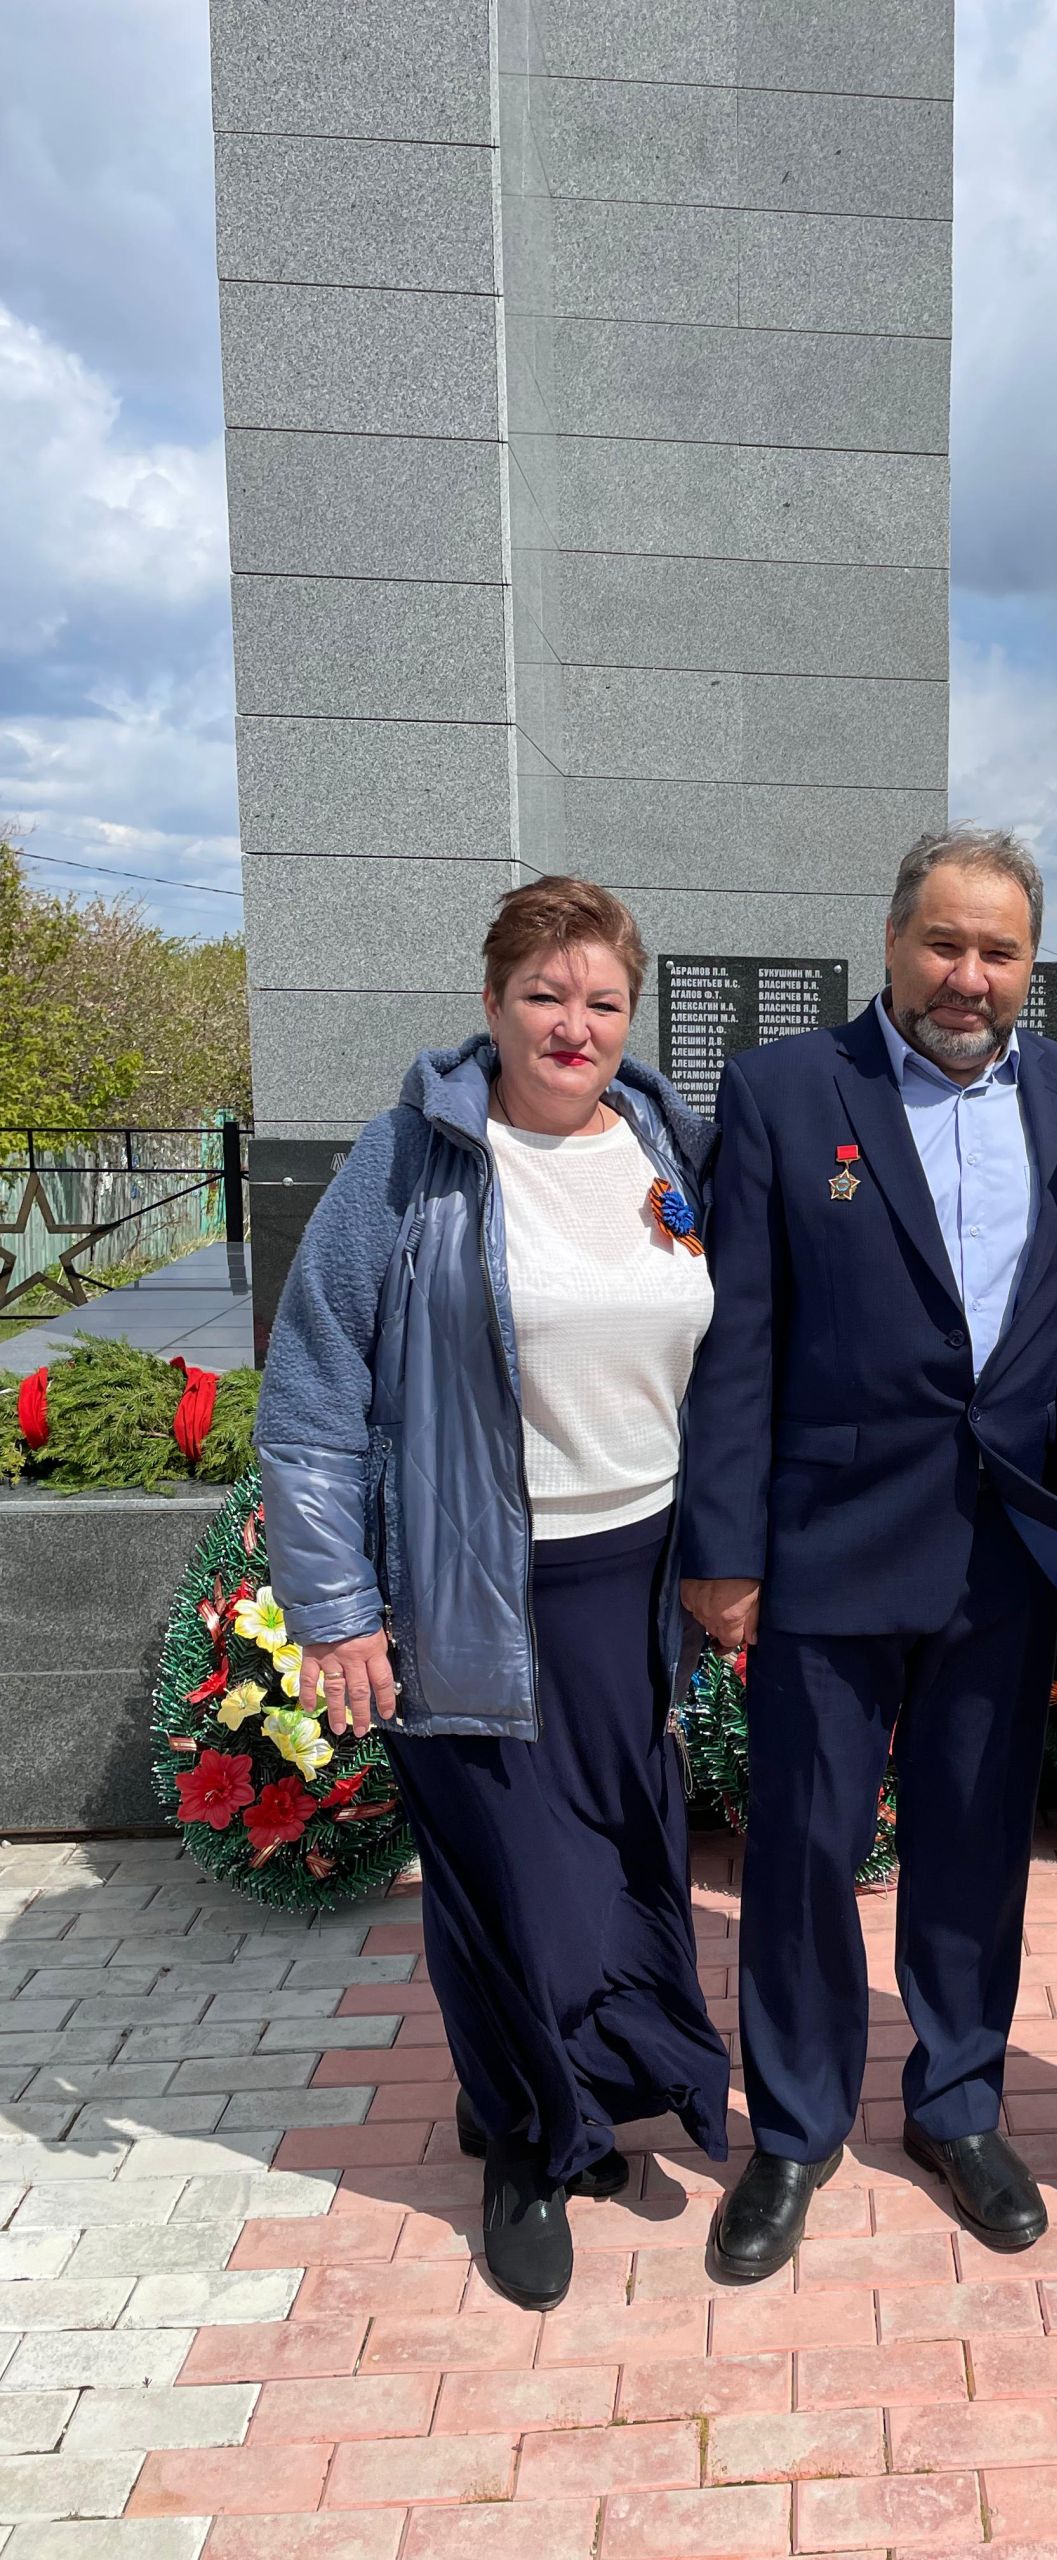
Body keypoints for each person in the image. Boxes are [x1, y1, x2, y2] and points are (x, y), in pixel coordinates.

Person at [254, 876, 731, 2312]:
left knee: (611, 1855)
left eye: (600, 1000)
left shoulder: (668, 1143)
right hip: (471, 1571)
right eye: (544, 994)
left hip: (634, 1575)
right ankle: (526, 2148)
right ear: (491, 1002)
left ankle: (572, 2087)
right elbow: (313, 1385)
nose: (571, 1025)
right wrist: (334, 1602)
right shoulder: (412, 1158)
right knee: (503, 1880)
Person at [680, 826, 1057, 2279]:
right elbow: (738, 1341)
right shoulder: (785, 1093)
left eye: (999, 952)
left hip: (998, 1554)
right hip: (822, 1547)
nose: (969, 976)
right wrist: (723, 1550)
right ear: (890, 943)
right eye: (945, 942)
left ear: (1029, 967)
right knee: (802, 1853)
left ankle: (956, 2101)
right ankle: (797, 2131)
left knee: (974, 1844)